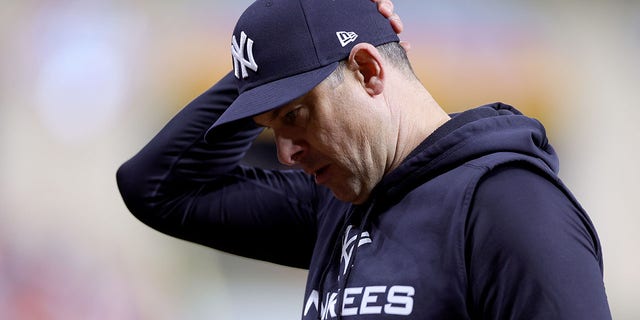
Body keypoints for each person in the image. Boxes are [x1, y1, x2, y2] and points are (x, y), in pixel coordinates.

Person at [116, 0, 612, 319]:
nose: (286, 154)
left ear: (369, 70)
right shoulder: (334, 204)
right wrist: (271, 66)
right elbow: (157, 188)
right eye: (270, 127)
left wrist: (313, 42)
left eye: (297, 115)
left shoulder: (507, 204)